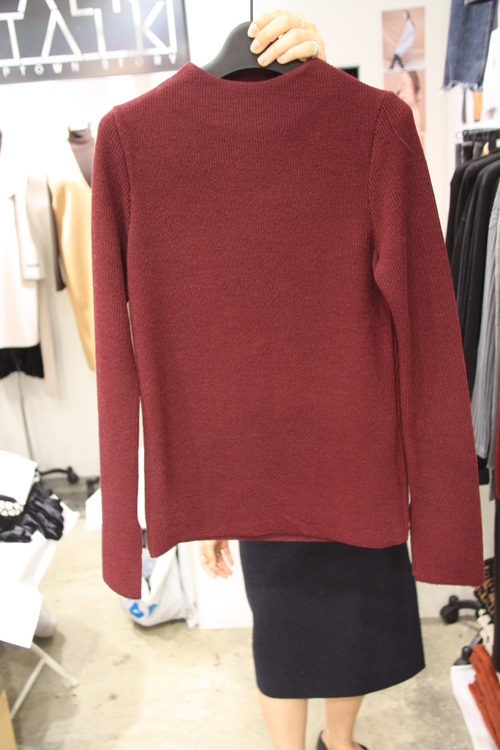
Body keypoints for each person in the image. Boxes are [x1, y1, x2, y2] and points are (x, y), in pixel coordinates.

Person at [198, 14, 375, 750]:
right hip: (263, 442)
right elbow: (201, 344)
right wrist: (212, 497)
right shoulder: (195, 158)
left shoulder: (353, 135)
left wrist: (324, 82)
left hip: (345, 427)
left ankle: (340, 743)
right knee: (282, 620)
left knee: (351, 612)